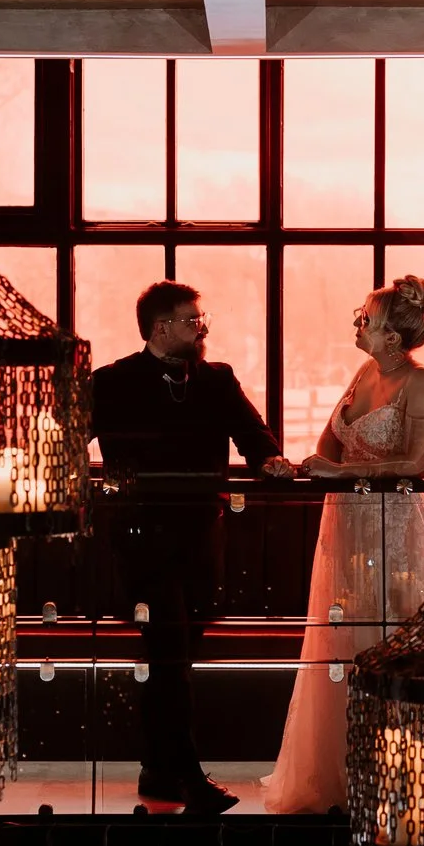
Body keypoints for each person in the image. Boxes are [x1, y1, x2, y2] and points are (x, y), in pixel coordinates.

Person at [90, 281, 295, 815]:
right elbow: (68, 438)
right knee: (171, 658)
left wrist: (271, 464)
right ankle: (186, 777)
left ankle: (159, 770)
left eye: (202, 321)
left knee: (173, 660)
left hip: (203, 541)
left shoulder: (217, 380)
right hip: (141, 543)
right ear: (161, 328)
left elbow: (255, 437)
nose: (202, 329)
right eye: (192, 321)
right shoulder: (113, 382)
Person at [261, 276, 424, 815]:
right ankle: (349, 775)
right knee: (342, 643)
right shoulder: (364, 371)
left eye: (367, 318)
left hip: (396, 525)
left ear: (393, 336)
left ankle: (407, 780)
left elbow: (417, 465)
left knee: (393, 639)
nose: (359, 323)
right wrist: (299, 464)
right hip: (344, 522)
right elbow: (330, 444)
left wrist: (340, 471)